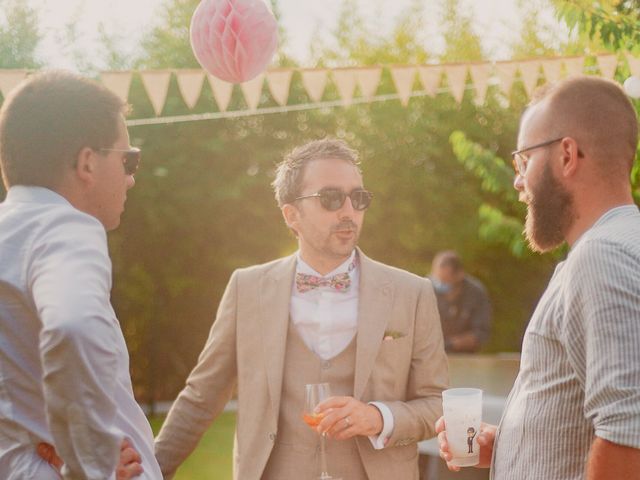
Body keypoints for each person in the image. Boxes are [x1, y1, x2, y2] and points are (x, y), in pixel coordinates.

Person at [154, 138, 449, 480]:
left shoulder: (412, 292)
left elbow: (438, 403)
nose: (348, 211)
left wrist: (379, 417)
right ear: (291, 215)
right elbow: (202, 395)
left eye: (358, 198)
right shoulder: (247, 288)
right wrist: (151, 469)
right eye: (331, 198)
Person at [437, 75, 640, 479]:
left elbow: (628, 430)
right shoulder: (621, 244)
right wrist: (511, 444)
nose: (518, 181)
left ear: (567, 154)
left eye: (523, 161)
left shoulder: (602, 255)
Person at [0, 71, 162, 479]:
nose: (131, 177)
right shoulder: (64, 227)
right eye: (128, 158)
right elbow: (73, 326)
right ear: (87, 161)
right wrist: (90, 463)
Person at [429, 250, 491, 353]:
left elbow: (480, 333)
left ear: (459, 275)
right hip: (431, 354)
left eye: (444, 281)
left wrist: (450, 344)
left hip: (465, 357)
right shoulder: (427, 289)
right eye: (437, 279)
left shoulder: (476, 293)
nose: (440, 284)